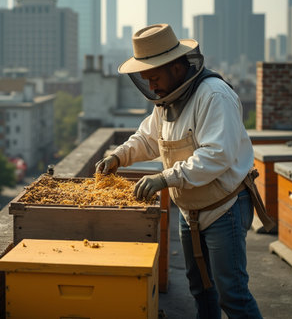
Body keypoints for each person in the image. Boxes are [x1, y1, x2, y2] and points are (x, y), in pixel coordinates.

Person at [95, 23, 273, 319]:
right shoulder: (166, 100)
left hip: (224, 208)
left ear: (176, 67)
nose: (151, 86)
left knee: (233, 294)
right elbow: (148, 139)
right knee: (201, 289)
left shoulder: (214, 96)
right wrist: (118, 157)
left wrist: (165, 177)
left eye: (154, 77)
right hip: (190, 210)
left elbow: (216, 156)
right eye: (146, 79)